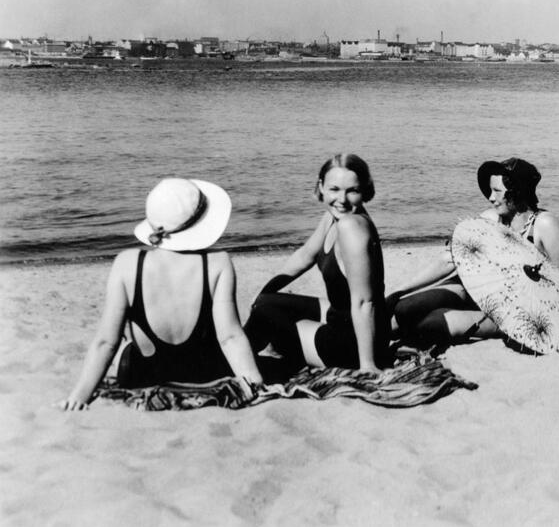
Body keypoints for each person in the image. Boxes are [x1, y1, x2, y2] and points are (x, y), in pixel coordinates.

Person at [59, 178, 263, 410]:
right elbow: (230, 338)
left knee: (125, 346)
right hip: (204, 374)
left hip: (144, 376)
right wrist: (254, 383)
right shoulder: (218, 263)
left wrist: (80, 395)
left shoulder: (126, 264)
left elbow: (106, 342)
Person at [388, 157, 559, 349]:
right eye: (490, 191)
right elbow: (450, 260)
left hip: (515, 308)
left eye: (497, 191)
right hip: (477, 290)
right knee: (404, 309)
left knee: (432, 324)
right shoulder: (490, 219)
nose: (490, 197)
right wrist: (400, 290)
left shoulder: (545, 225)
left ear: (516, 192)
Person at [244, 153, 389, 379]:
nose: (342, 199)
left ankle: (231, 363)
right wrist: (263, 291)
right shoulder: (334, 217)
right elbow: (303, 257)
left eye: (352, 190)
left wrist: (368, 364)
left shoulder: (351, 226)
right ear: (321, 186)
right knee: (266, 301)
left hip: (353, 344)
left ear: (364, 191)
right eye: (334, 189)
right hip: (341, 316)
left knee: (265, 314)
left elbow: (364, 301)